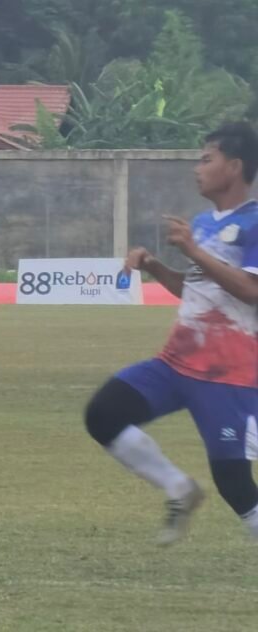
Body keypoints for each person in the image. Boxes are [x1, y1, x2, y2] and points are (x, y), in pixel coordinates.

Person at [85, 121, 258, 545]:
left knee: (235, 483)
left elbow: (252, 292)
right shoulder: (203, 222)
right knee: (103, 414)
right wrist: (156, 266)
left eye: (206, 159)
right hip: (176, 362)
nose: (197, 168)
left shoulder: (255, 223)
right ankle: (179, 488)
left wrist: (193, 250)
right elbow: (196, 287)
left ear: (233, 167)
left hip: (226, 374)